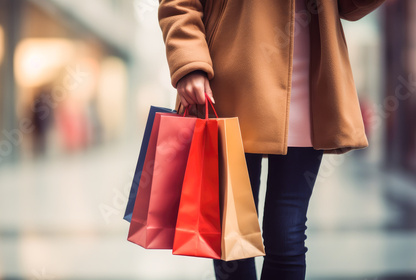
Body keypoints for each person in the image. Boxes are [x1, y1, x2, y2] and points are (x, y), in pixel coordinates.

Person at [157, 0, 385, 279]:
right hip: (230, 77)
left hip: (308, 81)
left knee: (287, 234)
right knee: (230, 232)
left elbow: (349, 7)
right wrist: (189, 61)